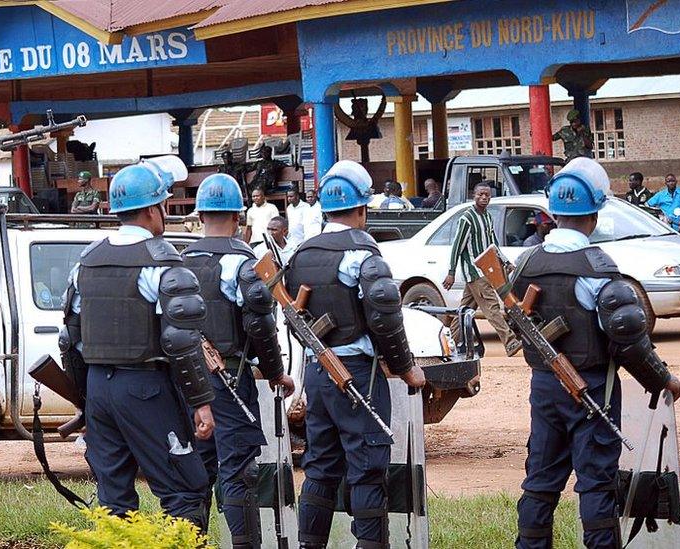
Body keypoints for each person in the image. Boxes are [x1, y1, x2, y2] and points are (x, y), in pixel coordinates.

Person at [511, 157, 680, 549]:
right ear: (594, 215)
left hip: (544, 390)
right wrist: (663, 380)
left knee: (539, 480)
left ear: (554, 212)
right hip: (592, 392)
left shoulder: (526, 262)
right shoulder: (597, 269)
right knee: (596, 484)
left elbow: (514, 319)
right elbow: (629, 340)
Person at [62, 156, 216, 532]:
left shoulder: (87, 261)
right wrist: (201, 403)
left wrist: (85, 400)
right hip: (146, 387)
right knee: (184, 490)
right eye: (163, 205)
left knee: (113, 498)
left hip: (99, 387)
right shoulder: (158, 262)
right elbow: (182, 340)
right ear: (152, 209)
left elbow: (71, 338)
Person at [286, 160, 425, 548]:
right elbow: (385, 315)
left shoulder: (301, 254)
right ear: (362, 208)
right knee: (366, 470)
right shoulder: (362, 254)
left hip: (318, 370)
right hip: (357, 376)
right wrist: (406, 367)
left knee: (320, 468)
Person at [183, 173, 295, 547]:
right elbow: (260, 324)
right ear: (239, 217)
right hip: (229, 381)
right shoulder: (241, 262)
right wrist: (277, 372)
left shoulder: (179, 261)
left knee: (194, 471)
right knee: (238, 472)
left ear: (200, 216)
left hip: (186, 383)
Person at [443, 183, 522, 356]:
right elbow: (457, 247)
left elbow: (492, 244)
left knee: (463, 311)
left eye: (487, 194)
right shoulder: (467, 219)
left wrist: (505, 261)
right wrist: (451, 272)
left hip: (485, 271)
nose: (484, 197)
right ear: (474, 195)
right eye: (481, 194)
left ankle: (447, 345)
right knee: (491, 307)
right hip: (475, 272)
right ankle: (510, 342)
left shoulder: (487, 216)